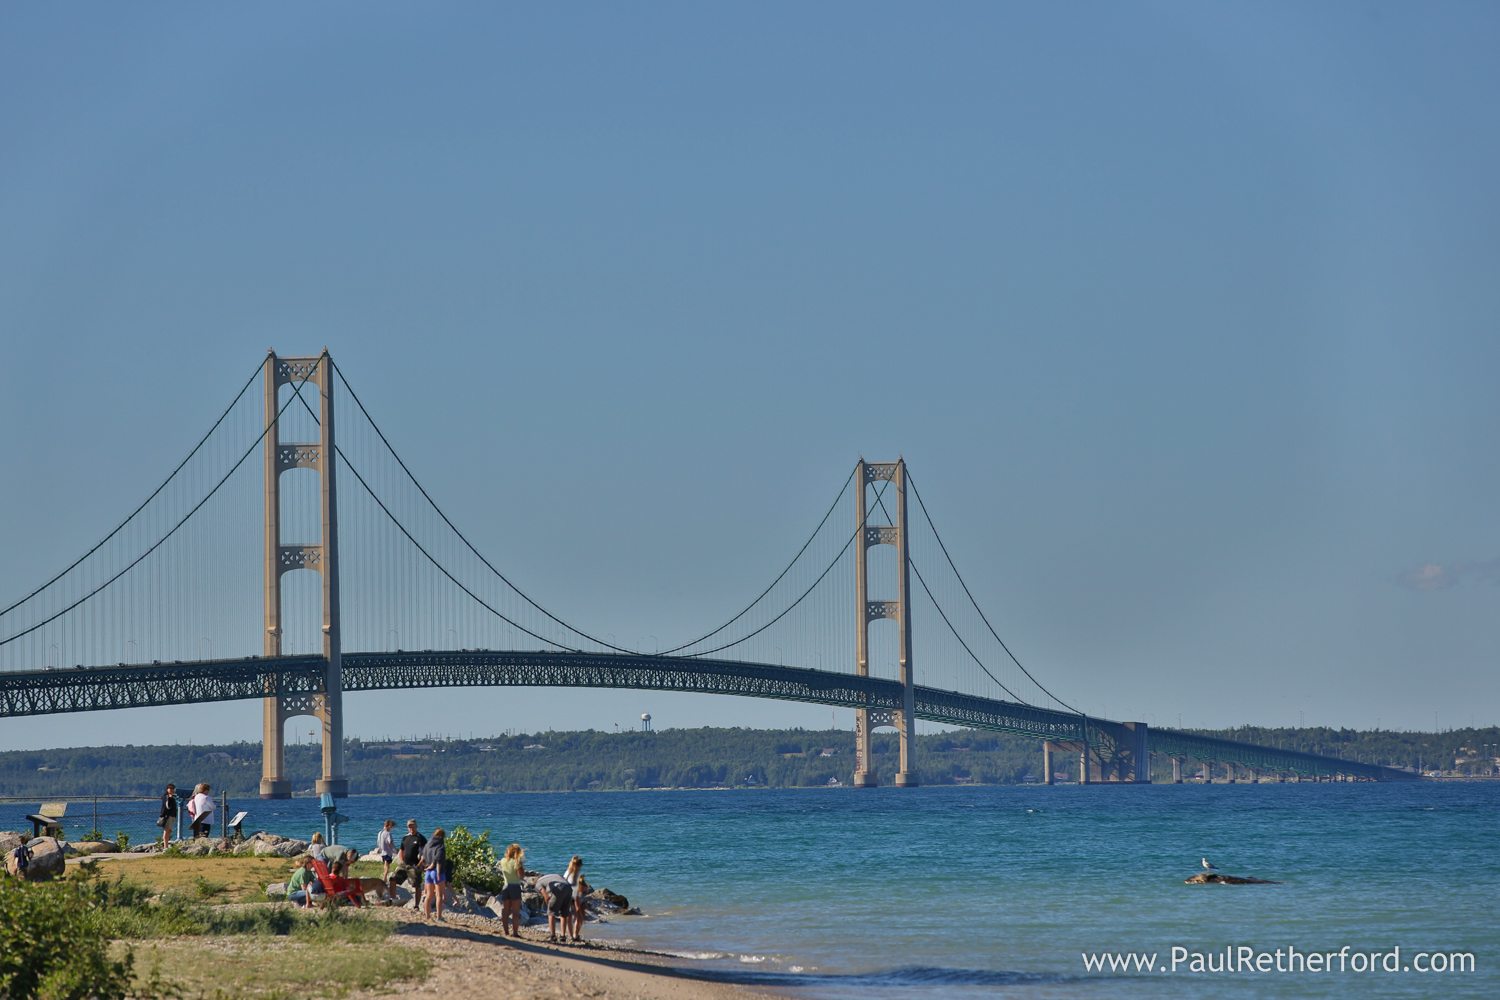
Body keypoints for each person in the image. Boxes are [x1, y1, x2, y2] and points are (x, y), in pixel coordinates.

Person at [535, 872, 573, 943]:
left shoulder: (538, 883)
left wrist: (549, 905)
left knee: (551, 913)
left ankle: (553, 936)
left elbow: (545, 895)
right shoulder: (551, 876)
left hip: (558, 888)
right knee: (564, 913)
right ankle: (563, 936)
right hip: (568, 888)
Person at [498, 843, 525, 938]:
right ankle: (515, 933)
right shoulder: (517, 862)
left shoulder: (503, 860)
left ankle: (506, 932)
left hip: (506, 886)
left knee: (506, 910)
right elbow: (521, 876)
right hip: (515, 887)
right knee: (515, 912)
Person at [420, 828, 447, 921]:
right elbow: (438, 859)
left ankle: (427, 916)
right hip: (437, 872)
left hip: (428, 872)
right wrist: (439, 873)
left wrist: (425, 866)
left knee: (428, 895)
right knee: (439, 895)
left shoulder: (428, 844)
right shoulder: (440, 846)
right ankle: (439, 917)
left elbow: (422, 857)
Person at [398, 819, 426, 904]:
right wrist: (401, 861)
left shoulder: (420, 838)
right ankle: (393, 900)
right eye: (409, 826)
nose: (411, 828)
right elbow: (401, 851)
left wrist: (419, 864)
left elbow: (425, 853)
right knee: (393, 879)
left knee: (416, 885)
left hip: (415, 865)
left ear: (416, 826)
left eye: (412, 826)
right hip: (404, 864)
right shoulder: (405, 837)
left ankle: (416, 905)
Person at [564, 855, 587, 943]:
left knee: (569, 917)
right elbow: (576, 892)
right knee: (579, 917)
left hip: (566, 896)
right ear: (579, 865)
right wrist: (578, 907)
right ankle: (575, 935)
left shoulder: (567, 872)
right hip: (574, 897)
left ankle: (571, 936)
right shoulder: (576, 875)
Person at [376, 819, 397, 886]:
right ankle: (384, 879)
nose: (392, 828)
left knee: (385, 865)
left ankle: (384, 878)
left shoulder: (380, 832)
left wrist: (380, 849)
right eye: (391, 827)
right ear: (389, 826)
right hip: (388, 852)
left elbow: (378, 842)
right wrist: (395, 850)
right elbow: (390, 842)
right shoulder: (388, 833)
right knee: (387, 867)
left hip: (382, 852)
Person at [158, 783, 178, 848]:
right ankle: (165, 847)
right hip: (167, 816)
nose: (172, 790)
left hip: (172, 816)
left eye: (173, 789)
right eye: (170, 788)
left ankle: (166, 846)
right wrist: (170, 798)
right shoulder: (166, 797)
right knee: (166, 831)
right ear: (167, 789)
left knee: (169, 831)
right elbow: (167, 806)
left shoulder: (172, 797)